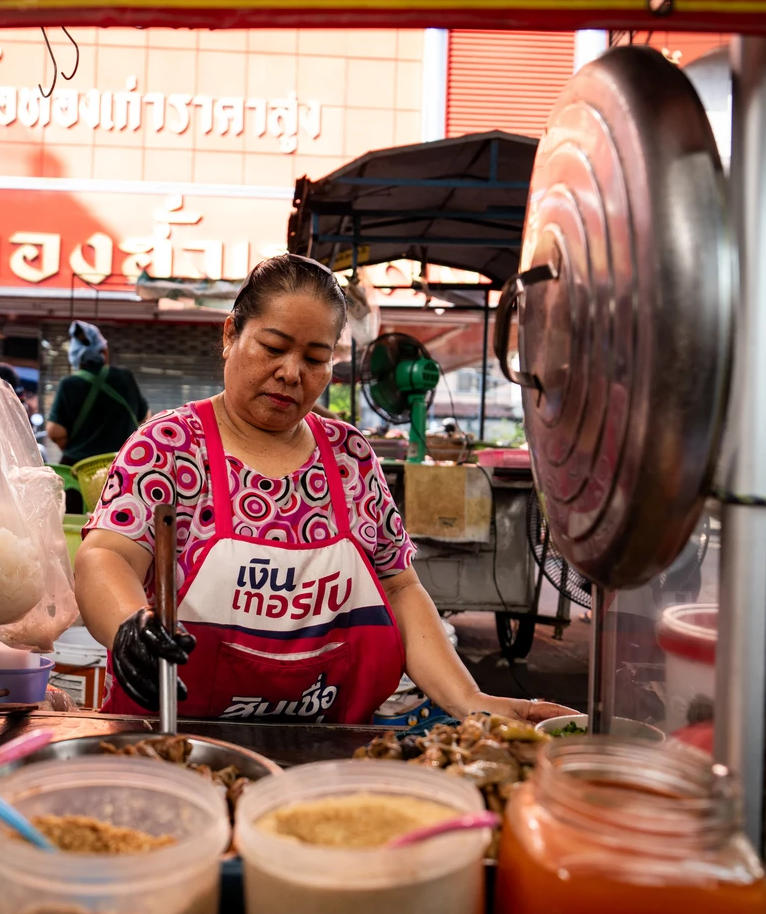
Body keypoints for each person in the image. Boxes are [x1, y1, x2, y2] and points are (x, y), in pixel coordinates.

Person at [73, 254, 575, 724]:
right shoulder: (170, 444)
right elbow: (107, 556)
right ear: (230, 334)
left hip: (323, 742)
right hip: (174, 735)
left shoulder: (349, 455)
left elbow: (399, 587)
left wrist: (470, 701)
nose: (291, 373)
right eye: (273, 347)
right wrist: (126, 624)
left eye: (315, 358)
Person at [46, 320, 148, 466]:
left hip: (79, 471)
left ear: (75, 358)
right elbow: (145, 420)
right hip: (122, 468)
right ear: (104, 352)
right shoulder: (125, 377)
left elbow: (55, 432)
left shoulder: (69, 384)